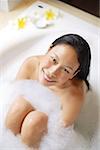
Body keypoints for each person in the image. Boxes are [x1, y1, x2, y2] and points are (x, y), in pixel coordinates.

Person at [5, 34, 91, 148]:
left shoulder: (73, 94)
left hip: (42, 132)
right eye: (54, 60)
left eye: (65, 69)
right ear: (49, 49)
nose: (52, 72)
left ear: (74, 74)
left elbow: (61, 132)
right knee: (19, 106)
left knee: (34, 121)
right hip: (21, 116)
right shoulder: (31, 64)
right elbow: (13, 93)